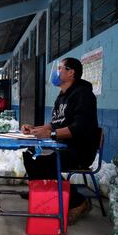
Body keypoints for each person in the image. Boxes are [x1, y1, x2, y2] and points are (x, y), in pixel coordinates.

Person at [21, 57, 98, 225]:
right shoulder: (61, 97)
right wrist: (34, 128)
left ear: (71, 73)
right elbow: (54, 124)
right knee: (29, 155)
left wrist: (51, 134)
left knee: (43, 162)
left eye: (60, 68)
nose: (56, 72)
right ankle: (42, 188)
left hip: (79, 150)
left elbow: (80, 127)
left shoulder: (84, 95)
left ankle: (78, 202)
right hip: (61, 146)